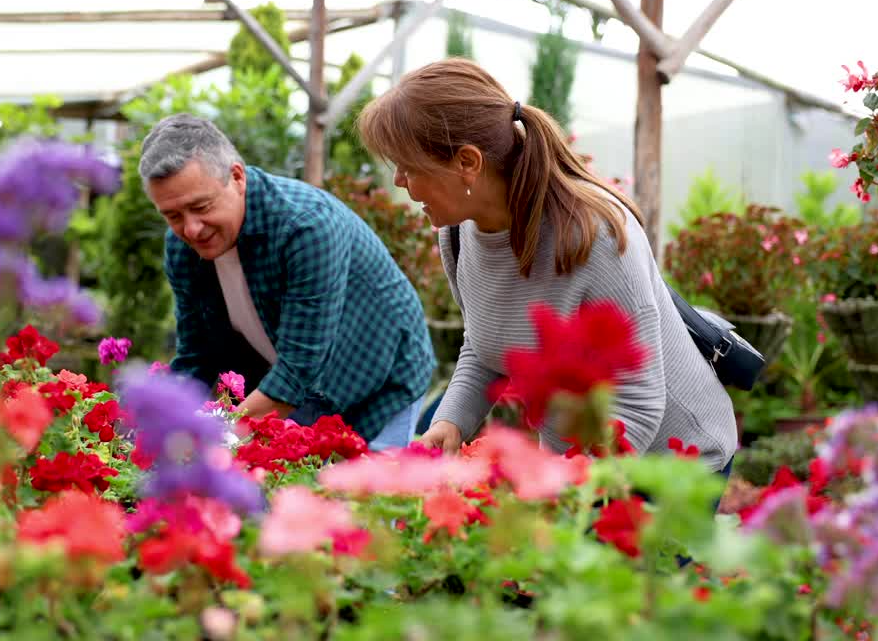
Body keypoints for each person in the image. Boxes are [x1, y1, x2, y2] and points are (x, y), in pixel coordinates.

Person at [356, 58, 737, 473]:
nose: (399, 182)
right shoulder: (457, 234)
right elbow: (484, 345)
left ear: (467, 162)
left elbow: (635, 403)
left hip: (673, 463)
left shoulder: (595, 235)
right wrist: (449, 423)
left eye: (408, 167)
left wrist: (559, 496)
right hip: (578, 467)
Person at [140, 114, 436, 450]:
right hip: (294, 393)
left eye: (201, 206)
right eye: (173, 216)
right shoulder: (181, 249)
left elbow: (299, 370)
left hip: (380, 379)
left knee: (367, 495)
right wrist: (161, 425)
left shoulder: (304, 227)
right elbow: (196, 357)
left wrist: (213, 436)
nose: (190, 229)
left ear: (237, 177)